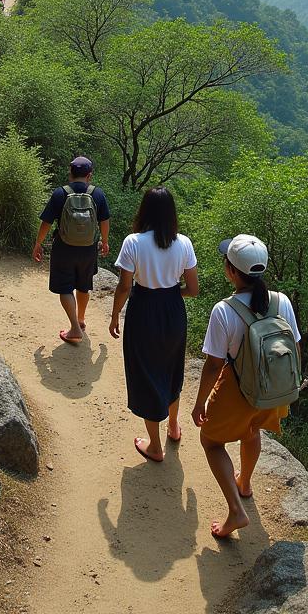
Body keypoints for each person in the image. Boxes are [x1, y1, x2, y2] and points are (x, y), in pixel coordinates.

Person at [192, 235, 303, 539]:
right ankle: (245, 484)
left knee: (211, 441)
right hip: (273, 389)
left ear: (231, 271)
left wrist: (200, 402)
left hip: (238, 390)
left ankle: (235, 511)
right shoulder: (282, 301)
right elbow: (294, 347)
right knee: (252, 431)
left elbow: (214, 365)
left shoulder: (224, 311)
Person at [109, 187, 199, 463]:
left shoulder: (133, 242)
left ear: (143, 211)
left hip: (143, 310)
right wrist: (171, 295)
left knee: (146, 372)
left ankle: (156, 447)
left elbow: (125, 286)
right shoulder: (184, 243)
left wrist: (114, 316)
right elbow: (193, 289)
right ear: (172, 214)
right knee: (171, 368)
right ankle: (173, 427)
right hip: (173, 311)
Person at [32, 156, 110, 345]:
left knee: (65, 287)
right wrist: (105, 242)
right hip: (88, 249)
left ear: (70, 173)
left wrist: (38, 243)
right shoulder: (97, 194)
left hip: (64, 248)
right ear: (89, 175)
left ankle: (74, 327)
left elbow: (47, 222)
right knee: (84, 285)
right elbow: (105, 221)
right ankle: (80, 320)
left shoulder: (60, 193)